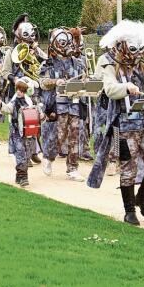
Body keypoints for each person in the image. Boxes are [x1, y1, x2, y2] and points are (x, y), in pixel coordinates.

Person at [87, 20, 144, 227]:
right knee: (128, 168)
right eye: (134, 48)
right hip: (123, 125)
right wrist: (126, 86)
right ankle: (129, 211)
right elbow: (109, 89)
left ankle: (141, 198)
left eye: (141, 48)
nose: (138, 53)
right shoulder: (108, 62)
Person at [39, 27, 89, 181]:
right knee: (57, 136)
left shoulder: (78, 63)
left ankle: (72, 168)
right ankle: (48, 157)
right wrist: (55, 81)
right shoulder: (48, 63)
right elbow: (41, 82)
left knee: (75, 135)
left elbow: (85, 78)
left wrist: (86, 83)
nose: (67, 46)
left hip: (74, 104)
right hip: (56, 106)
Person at [0, 14, 47, 166]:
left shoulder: (36, 50)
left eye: (31, 36)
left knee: (35, 123)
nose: (30, 39)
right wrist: (15, 80)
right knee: (20, 125)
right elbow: (5, 72)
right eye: (26, 36)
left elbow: (46, 61)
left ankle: (33, 151)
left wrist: (37, 51)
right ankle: (22, 156)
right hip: (18, 92)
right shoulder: (11, 52)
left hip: (34, 92)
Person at [1, 78, 42, 186]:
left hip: (29, 133)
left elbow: (39, 114)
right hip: (16, 133)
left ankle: (19, 175)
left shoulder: (31, 102)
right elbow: (7, 109)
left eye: (22, 90)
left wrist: (41, 115)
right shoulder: (14, 101)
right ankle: (24, 177)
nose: (19, 92)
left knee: (27, 154)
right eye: (17, 89)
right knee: (20, 154)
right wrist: (0, 104)